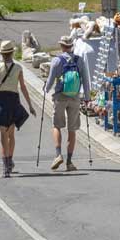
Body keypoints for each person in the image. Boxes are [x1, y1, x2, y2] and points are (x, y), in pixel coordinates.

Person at [0, 39, 33, 176]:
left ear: (2, 54)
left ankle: (5, 167)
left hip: (1, 101)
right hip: (13, 101)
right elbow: (22, 87)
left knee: (3, 135)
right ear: (12, 53)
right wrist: (30, 105)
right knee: (11, 134)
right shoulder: (18, 68)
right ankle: (10, 161)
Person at [45, 36, 86, 171]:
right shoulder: (79, 60)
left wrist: (46, 89)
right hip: (74, 97)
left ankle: (58, 155)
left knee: (56, 125)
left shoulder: (56, 60)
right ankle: (69, 162)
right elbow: (85, 80)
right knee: (72, 129)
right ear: (71, 46)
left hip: (60, 96)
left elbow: (50, 81)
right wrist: (86, 96)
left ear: (62, 46)